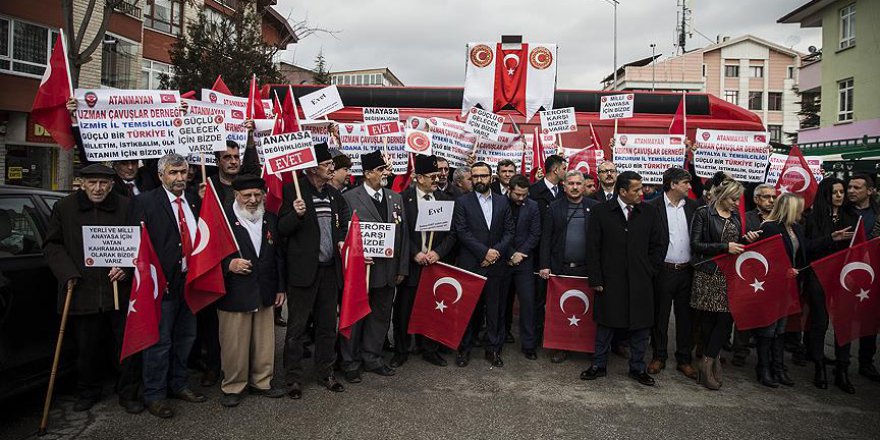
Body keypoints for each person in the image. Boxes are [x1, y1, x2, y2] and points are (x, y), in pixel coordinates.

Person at [43, 164, 141, 413]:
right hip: (81, 289)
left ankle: (128, 392)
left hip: (118, 290)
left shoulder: (126, 206)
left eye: (103, 184)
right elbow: (52, 245)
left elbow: (138, 243)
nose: (98, 188)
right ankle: (88, 391)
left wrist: (126, 268)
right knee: (87, 348)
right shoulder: (64, 208)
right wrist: (68, 273)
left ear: (110, 185)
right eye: (92, 183)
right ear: (82, 183)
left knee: (125, 347)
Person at [131, 153, 206, 418]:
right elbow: (136, 243)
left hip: (188, 283)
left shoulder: (195, 200)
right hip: (160, 284)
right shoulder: (145, 202)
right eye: (173, 173)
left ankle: (179, 383)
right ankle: (155, 394)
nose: (179, 178)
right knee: (159, 343)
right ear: (161, 174)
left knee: (186, 338)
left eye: (183, 172)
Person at [757, 193, 852, 389]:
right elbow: (763, 257)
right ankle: (764, 368)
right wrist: (782, 270)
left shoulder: (796, 228)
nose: (803, 211)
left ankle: (779, 367)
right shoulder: (769, 227)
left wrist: (832, 238)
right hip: (773, 286)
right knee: (769, 328)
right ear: (789, 208)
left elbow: (807, 247)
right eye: (799, 207)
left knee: (781, 329)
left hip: (790, 286)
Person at [278, 142, 350, 399]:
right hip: (303, 272)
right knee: (296, 329)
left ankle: (325, 372)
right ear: (311, 168)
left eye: (332, 164)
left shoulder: (333, 195)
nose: (332, 168)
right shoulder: (292, 191)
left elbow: (342, 221)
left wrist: (341, 238)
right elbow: (280, 231)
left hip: (329, 270)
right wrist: (294, 215)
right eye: (327, 164)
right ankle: (293, 378)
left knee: (327, 325)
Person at [581, 171, 665, 386]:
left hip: (641, 280)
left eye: (641, 188)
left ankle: (637, 367)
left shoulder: (649, 212)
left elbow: (658, 245)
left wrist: (649, 270)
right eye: (636, 189)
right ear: (622, 191)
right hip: (610, 280)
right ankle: (598, 365)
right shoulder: (601, 211)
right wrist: (596, 278)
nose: (641, 192)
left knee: (641, 325)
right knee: (606, 324)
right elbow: (593, 248)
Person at [217, 175, 287, 407]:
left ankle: (262, 381)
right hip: (235, 292)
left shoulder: (270, 218)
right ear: (236, 196)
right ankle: (233, 385)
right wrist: (228, 265)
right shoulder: (222, 219)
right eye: (247, 195)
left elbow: (278, 256)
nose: (253, 200)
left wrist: (280, 288)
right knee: (234, 343)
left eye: (258, 194)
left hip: (265, 289)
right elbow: (207, 255)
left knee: (265, 341)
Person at [340, 150, 409, 382]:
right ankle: (350, 361)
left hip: (388, 270)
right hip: (362, 271)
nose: (385, 173)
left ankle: (373, 357)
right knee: (356, 315)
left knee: (380, 316)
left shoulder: (395, 198)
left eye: (385, 169)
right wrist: (355, 256)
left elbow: (403, 235)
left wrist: (401, 268)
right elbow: (345, 235)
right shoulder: (350, 198)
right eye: (381, 170)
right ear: (368, 173)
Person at [688, 176, 757, 390]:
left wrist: (746, 239)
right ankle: (710, 362)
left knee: (726, 319)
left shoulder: (735, 217)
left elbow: (735, 242)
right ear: (723, 196)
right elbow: (696, 244)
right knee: (708, 320)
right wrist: (724, 247)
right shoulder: (703, 213)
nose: (737, 204)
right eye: (733, 199)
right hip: (709, 273)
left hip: (729, 274)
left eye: (738, 200)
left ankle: (708, 360)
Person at [392, 154, 457, 368]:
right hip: (411, 264)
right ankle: (401, 349)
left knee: (433, 308)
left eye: (438, 175)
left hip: (435, 266)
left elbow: (452, 234)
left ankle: (430, 349)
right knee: (404, 310)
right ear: (419, 178)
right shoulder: (403, 199)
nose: (437, 180)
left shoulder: (446, 200)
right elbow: (400, 232)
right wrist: (415, 253)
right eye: (432, 176)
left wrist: (437, 252)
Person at [453, 161, 514, 367]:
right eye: (475, 176)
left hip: (496, 264)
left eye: (483, 176)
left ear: (491, 178)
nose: (479, 180)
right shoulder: (463, 202)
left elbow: (509, 232)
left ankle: (493, 349)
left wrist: (495, 252)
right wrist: (484, 252)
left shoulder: (502, 202)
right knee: (468, 308)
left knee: (495, 309)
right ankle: (464, 349)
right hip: (472, 263)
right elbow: (462, 232)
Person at [805, 178, 859, 393]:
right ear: (826, 194)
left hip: (844, 277)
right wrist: (831, 238)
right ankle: (819, 366)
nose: (840, 195)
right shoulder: (812, 218)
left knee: (844, 323)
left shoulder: (852, 217)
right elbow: (807, 247)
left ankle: (842, 369)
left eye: (842, 191)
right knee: (820, 321)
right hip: (818, 275)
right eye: (835, 192)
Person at [538, 170, 599, 363]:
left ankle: (587, 346)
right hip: (560, 269)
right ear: (563, 186)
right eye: (570, 183)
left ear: (584, 186)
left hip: (586, 269)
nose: (574, 187)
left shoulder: (595, 207)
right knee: (559, 311)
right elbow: (545, 239)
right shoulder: (554, 207)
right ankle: (560, 347)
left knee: (588, 311)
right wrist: (545, 265)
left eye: (578, 184)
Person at [646, 167, 698, 379]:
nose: (689, 186)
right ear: (673, 184)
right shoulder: (652, 207)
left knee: (686, 318)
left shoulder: (694, 207)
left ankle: (684, 359)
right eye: (685, 182)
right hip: (663, 271)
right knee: (660, 316)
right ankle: (659, 356)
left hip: (687, 271)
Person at [731, 183, 777, 366]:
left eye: (773, 197)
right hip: (748, 273)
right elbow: (735, 240)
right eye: (766, 197)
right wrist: (744, 239)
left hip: (772, 274)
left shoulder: (779, 218)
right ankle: (740, 352)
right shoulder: (745, 218)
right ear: (756, 199)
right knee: (745, 312)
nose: (771, 200)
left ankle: (766, 356)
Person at [500, 174, 542, 360]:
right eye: (517, 194)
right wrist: (509, 254)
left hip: (524, 262)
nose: (521, 198)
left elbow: (535, 233)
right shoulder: (499, 203)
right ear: (509, 190)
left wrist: (520, 254)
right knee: (500, 303)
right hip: (502, 260)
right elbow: (496, 232)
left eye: (524, 195)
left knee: (528, 304)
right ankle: (498, 339)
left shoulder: (532, 206)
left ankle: (529, 345)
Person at [846, 173, 880, 381]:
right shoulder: (842, 211)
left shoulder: (878, 215)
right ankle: (842, 361)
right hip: (845, 272)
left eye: (857, 187)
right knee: (845, 318)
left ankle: (866, 362)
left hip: (871, 273)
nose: (850, 191)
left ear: (870, 191)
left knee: (869, 319)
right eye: (850, 187)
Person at [528, 154, 566, 220]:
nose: (566, 172)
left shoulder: (565, 190)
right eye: (564, 169)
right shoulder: (533, 191)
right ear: (556, 170)